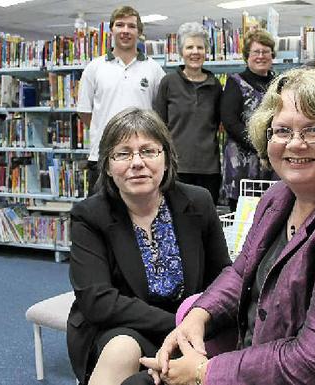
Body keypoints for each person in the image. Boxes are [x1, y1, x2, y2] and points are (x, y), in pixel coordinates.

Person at [128, 68, 315, 385]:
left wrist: (204, 373)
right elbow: (241, 271)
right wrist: (199, 314)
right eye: (283, 131)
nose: (296, 144)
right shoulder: (280, 197)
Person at [66, 107, 232, 385]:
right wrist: (178, 324)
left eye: (148, 151)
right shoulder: (90, 215)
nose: (137, 163)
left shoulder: (198, 202)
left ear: (166, 158)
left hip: (190, 326)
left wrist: (196, 323)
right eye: (123, 153)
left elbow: (223, 277)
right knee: (122, 349)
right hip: (120, 326)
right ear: (107, 165)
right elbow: (98, 301)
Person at [77, 5, 165, 191]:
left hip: (141, 159)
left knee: (140, 212)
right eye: (120, 25)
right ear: (112, 30)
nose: (125, 31)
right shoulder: (94, 68)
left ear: (139, 32)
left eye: (131, 26)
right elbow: (85, 112)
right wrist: (109, 133)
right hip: (102, 156)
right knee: (100, 215)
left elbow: (161, 112)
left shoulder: (154, 69)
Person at [154, 22, 222, 204]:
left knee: (205, 220)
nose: (195, 52)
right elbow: (158, 125)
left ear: (206, 51)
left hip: (209, 168)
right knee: (177, 219)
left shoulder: (215, 86)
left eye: (200, 47)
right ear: (181, 52)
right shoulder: (168, 83)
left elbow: (217, 123)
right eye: (189, 47)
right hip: (177, 167)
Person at [221, 28, 276, 212]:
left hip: (272, 160)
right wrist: (260, 145)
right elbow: (230, 122)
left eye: (265, 51)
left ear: (272, 55)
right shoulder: (235, 82)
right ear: (247, 56)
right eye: (256, 52)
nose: (261, 56)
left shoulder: (278, 82)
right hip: (243, 163)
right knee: (241, 220)